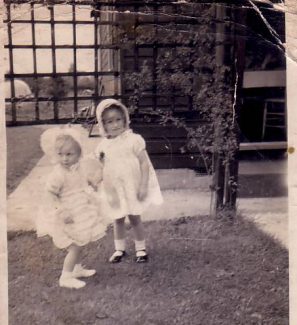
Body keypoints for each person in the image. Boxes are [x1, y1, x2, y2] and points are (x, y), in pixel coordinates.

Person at [36, 125, 108, 289]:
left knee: (81, 240)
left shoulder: (78, 167)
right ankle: (65, 277)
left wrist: (92, 183)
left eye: (69, 154)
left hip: (80, 209)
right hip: (67, 212)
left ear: (79, 154)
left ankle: (76, 269)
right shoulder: (58, 173)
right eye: (60, 154)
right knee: (74, 245)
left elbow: (83, 181)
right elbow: (50, 194)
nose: (65, 158)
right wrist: (60, 211)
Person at [94, 99, 163, 263]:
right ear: (103, 125)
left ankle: (141, 249)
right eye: (110, 122)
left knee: (134, 217)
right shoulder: (103, 146)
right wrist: (95, 181)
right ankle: (119, 249)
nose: (115, 125)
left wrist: (143, 185)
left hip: (131, 186)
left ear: (125, 119)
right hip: (114, 189)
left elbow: (144, 163)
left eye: (118, 119)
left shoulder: (134, 140)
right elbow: (101, 168)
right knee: (117, 218)